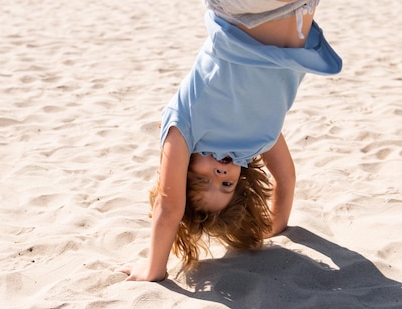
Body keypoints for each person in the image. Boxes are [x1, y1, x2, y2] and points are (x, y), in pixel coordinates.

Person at [121, 0, 342, 281]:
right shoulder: (259, 141)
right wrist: (274, 224)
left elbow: (170, 206)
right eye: (226, 184)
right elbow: (285, 181)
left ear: (184, 171)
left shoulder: (185, 129)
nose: (220, 173)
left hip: (245, 14)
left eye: (203, 180)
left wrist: (153, 268)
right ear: (241, 181)